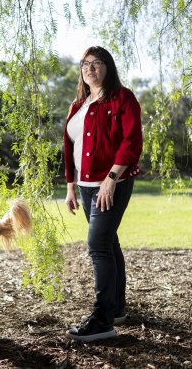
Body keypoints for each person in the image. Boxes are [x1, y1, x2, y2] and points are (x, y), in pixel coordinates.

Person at [64, 46, 143, 342]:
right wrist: (71, 186)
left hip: (112, 184)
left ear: (108, 67)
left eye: (97, 63)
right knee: (109, 243)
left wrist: (111, 178)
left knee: (97, 246)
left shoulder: (122, 98)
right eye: (85, 63)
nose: (90, 68)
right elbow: (70, 148)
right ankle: (117, 308)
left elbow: (132, 141)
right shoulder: (79, 105)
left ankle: (102, 320)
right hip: (84, 187)